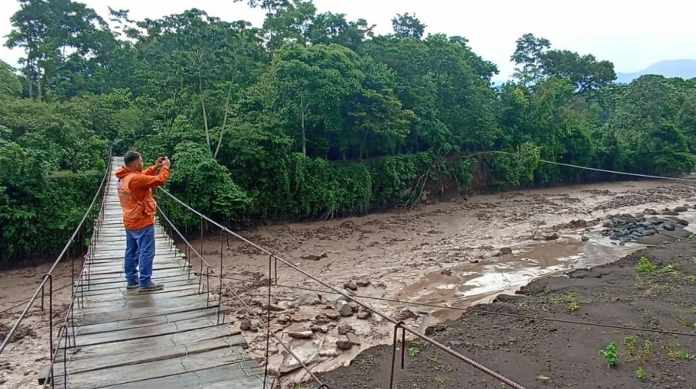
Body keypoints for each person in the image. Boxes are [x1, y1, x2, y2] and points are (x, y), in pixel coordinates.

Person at [115, 151, 171, 291]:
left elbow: (142, 176)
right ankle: (145, 282)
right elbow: (160, 180)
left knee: (131, 251)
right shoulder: (135, 179)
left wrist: (155, 166)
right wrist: (165, 167)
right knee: (146, 252)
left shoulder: (125, 177)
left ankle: (131, 280)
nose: (142, 163)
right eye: (140, 160)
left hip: (129, 220)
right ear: (134, 163)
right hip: (142, 220)